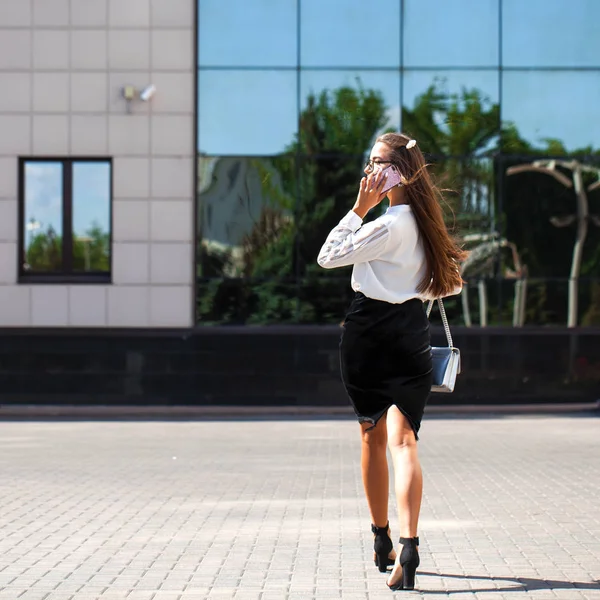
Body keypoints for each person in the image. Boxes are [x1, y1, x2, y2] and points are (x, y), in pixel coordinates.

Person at [317, 133, 466, 591]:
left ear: (400, 172)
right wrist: (413, 288)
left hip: (367, 335)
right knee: (405, 444)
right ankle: (408, 545)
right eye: (370, 161)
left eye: (379, 163)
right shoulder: (426, 225)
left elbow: (327, 256)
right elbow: (452, 285)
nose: (370, 171)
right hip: (410, 335)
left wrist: (359, 208)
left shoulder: (386, 225)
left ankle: (380, 538)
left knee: (371, 436)